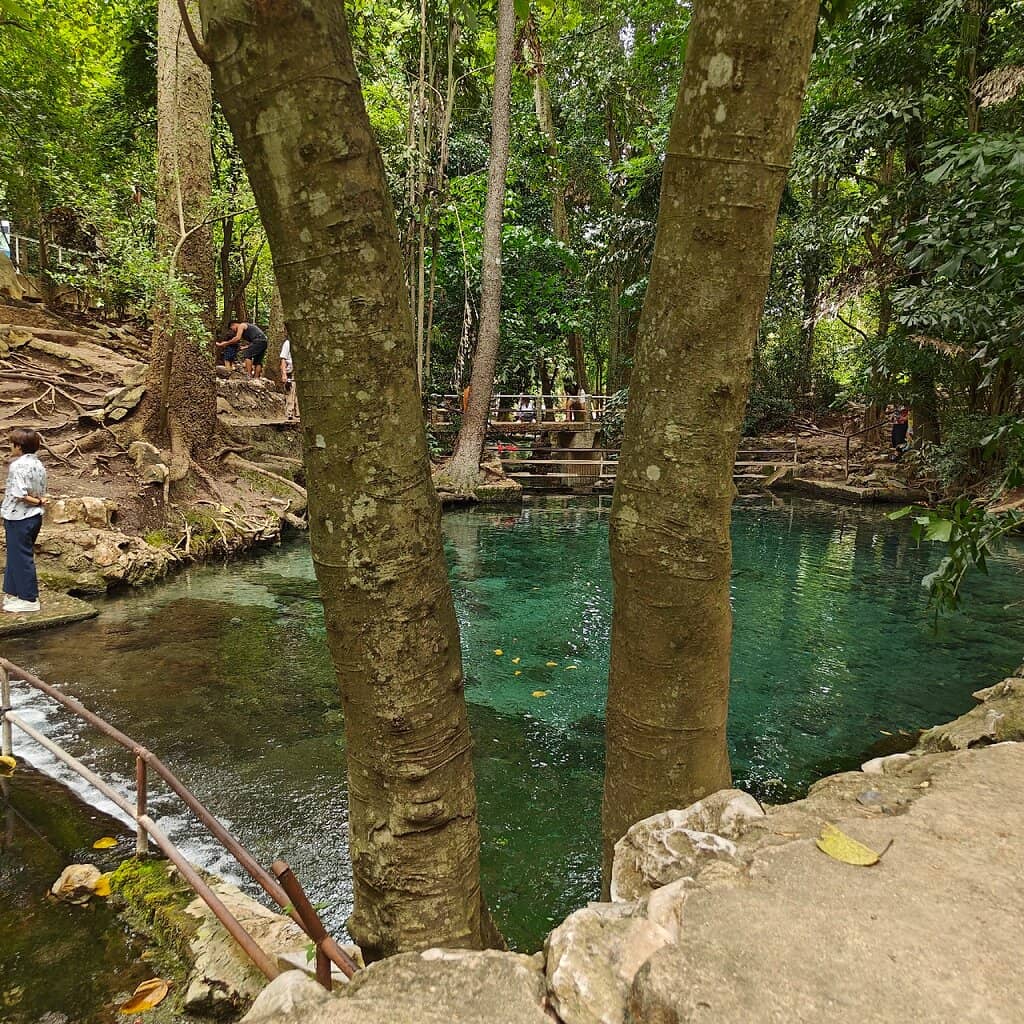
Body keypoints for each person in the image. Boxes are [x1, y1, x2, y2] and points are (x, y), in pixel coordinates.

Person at [2, 428, 48, 614]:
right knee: (15, 555)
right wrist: (39, 502)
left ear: (19, 446)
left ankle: (29, 599)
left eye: (11, 444)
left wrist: (36, 501)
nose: (10, 447)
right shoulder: (39, 464)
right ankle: (13, 593)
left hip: (19, 516)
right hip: (34, 517)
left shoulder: (18, 466)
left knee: (21, 557)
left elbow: (19, 493)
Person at [280, 337, 299, 421]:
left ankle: (298, 413)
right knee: (290, 391)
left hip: (300, 370)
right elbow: (283, 359)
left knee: (298, 392)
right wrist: (284, 374)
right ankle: (289, 412)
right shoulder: (288, 343)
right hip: (290, 370)